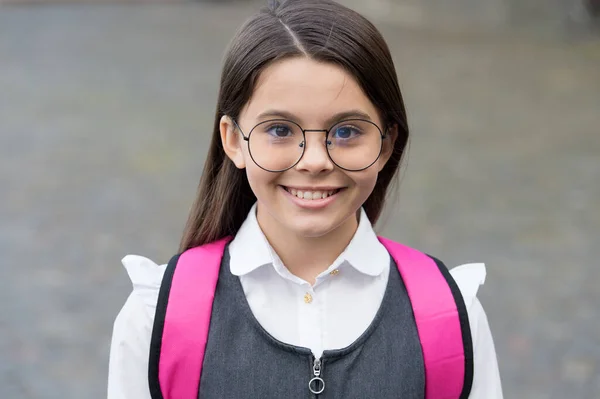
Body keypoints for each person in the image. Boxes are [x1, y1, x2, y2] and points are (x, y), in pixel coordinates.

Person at [107, 0, 503, 398]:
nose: (314, 162)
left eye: (347, 131)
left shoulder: (452, 316)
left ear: (387, 143)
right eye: (279, 130)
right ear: (233, 140)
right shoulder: (155, 314)